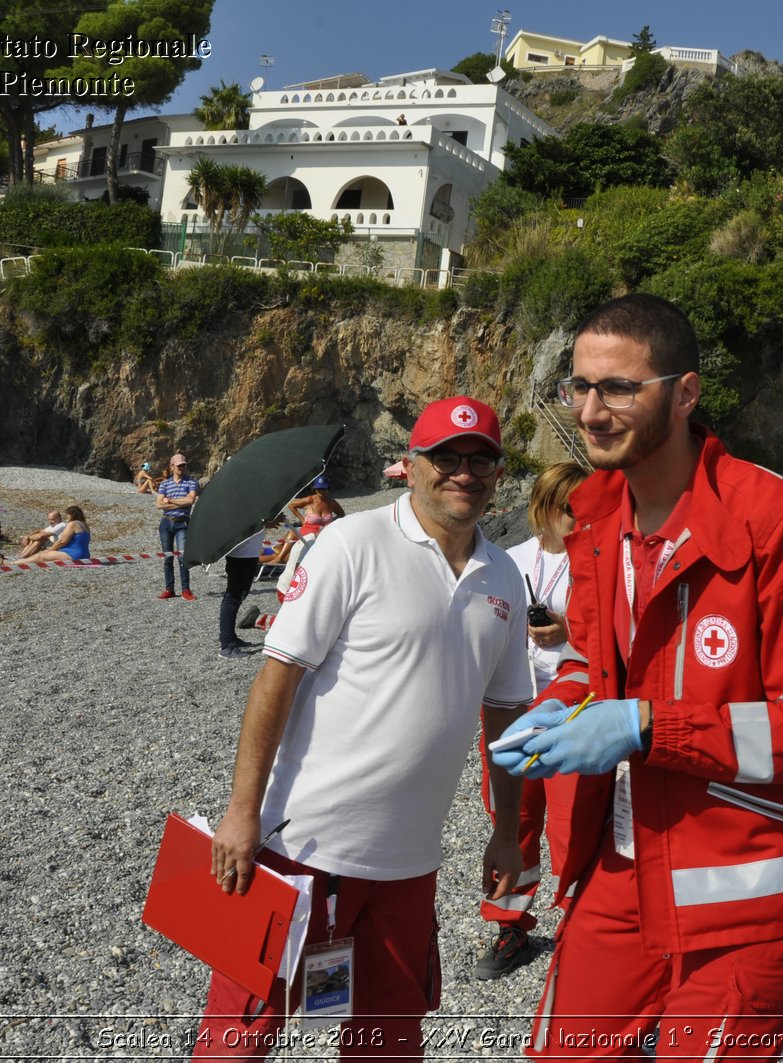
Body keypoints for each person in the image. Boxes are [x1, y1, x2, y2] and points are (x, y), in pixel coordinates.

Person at [491, 294, 783, 1059]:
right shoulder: (595, 517)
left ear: (685, 393)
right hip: (620, 868)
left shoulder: (778, 519)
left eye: (619, 387)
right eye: (580, 386)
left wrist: (646, 726)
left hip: (749, 894)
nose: (592, 411)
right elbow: (590, 663)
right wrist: (561, 703)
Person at [197, 395, 533, 1060]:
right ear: (411, 465)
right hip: (305, 848)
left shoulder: (505, 576)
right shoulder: (352, 543)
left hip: (408, 866)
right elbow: (276, 679)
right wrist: (241, 813)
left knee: (384, 1039)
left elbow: (505, 713)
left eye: (480, 460)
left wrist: (506, 831)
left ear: (497, 473)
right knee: (241, 1034)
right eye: (446, 458)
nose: (463, 471)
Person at [475, 461, 589, 980]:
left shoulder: (600, 564)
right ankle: (510, 926)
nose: (577, 518)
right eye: (568, 507)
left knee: (572, 826)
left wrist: (564, 631)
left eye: (585, 508)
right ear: (542, 507)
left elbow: (606, 643)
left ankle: (578, 933)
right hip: (511, 707)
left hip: (572, 711)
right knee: (512, 819)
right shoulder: (506, 561)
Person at [217, 520, 280, 660]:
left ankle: (230, 637)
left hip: (248, 554)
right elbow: (242, 526)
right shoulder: (239, 506)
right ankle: (226, 645)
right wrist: (265, 523)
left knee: (238, 596)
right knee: (233, 598)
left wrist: (266, 524)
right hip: (241, 555)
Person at [156, 453, 199, 600]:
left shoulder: (191, 482)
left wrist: (170, 501)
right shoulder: (164, 484)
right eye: (179, 465)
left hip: (182, 522)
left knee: (182, 557)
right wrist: (179, 501)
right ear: (172, 467)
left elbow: (190, 500)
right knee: (167, 558)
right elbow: (158, 504)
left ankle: (185, 589)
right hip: (166, 522)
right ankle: (169, 589)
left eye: (183, 465)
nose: (182, 468)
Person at [22, 506, 91, 563]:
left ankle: (16, 563)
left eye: (68, 515)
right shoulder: (84, 525)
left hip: (73, 554)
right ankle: (21, 558)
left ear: (72, 515)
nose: (67, 518)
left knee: (39, 556)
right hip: (85, 554)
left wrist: (51, 549)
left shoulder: (72, 524)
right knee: (41, 554)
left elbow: (62, 541)